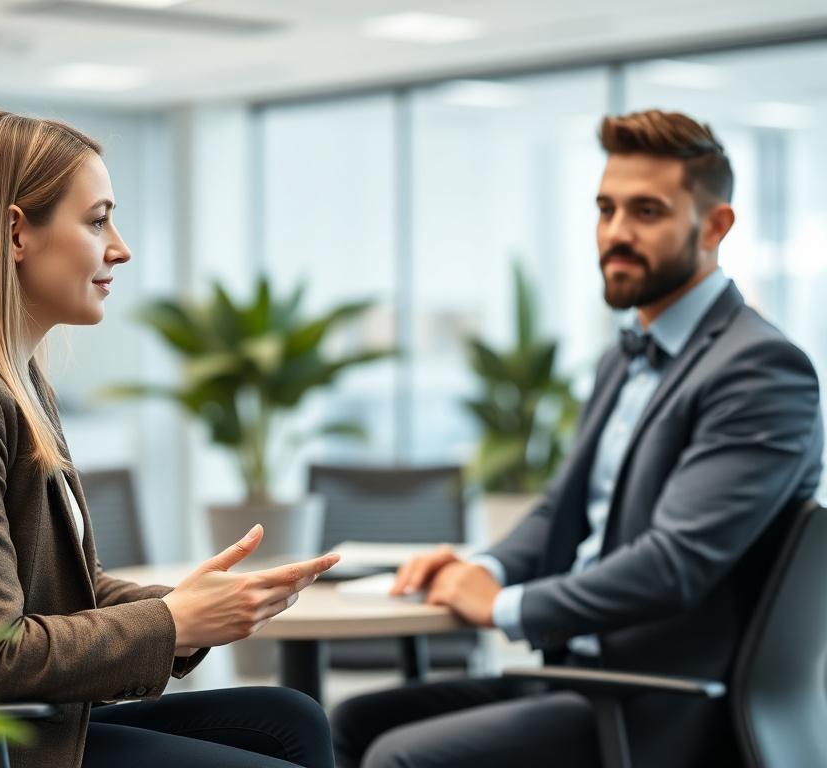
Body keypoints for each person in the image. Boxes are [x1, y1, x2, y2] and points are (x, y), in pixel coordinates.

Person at [0, 110, 338, 768]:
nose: (120, 247)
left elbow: (62, 593)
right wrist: (175, 622)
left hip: (13, 724)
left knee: (289, 720)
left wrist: (188, 604)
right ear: (16, 232)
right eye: (97, 220)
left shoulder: (12, 376)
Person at [331, 109, 823, 768]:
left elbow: (674, 563)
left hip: (664, 704)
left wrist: (505, 606)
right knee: (347, 721)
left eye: (646, 212)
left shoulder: (759, 368)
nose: (615, 233)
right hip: (582, 677)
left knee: (400, 756)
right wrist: (487, 568)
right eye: (605, 209)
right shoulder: (625, 358)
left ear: (715, 226)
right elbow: (557, 513)